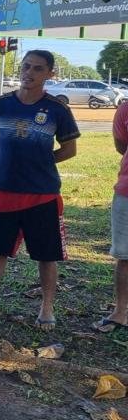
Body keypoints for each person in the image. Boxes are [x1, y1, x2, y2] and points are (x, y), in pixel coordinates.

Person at [0, 50, 78, 330]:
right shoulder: (0, 105)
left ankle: (47, 309)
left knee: (46, 254)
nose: (29, 73)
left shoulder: (57, 109)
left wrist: (42, 162)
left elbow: (69, 149)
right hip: (4, 189)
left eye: (38, 69)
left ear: (50, 73)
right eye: (26, 66)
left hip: (43, 193)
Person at [97, 100, 128, 333]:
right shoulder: (125, 109)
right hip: (127, 192)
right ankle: (120, 311)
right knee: (125, 256)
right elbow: (122, 146)